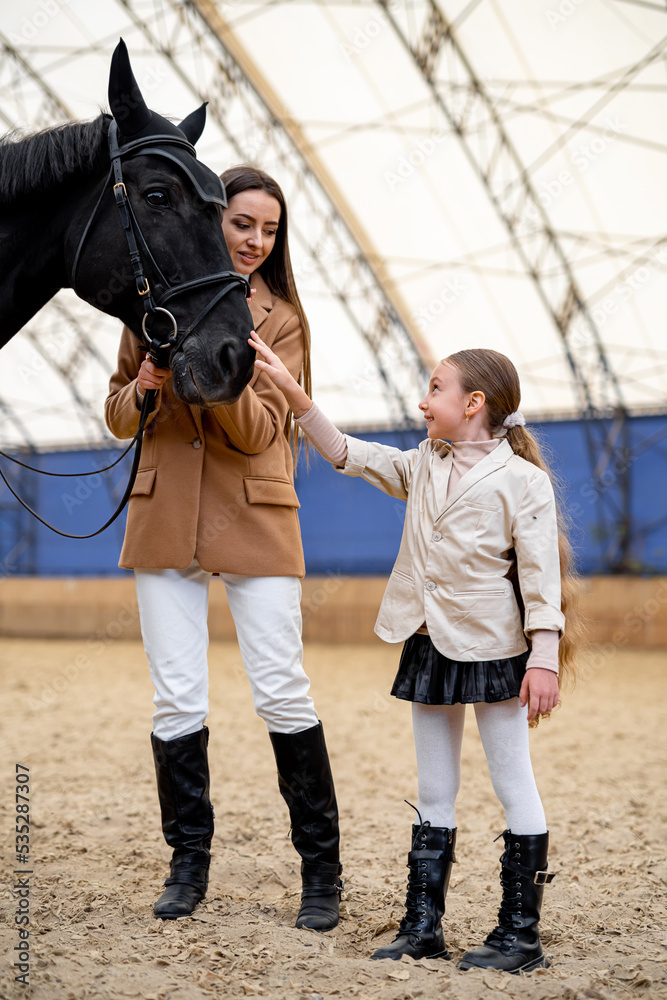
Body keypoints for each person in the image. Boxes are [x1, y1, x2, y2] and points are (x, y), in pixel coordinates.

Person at [249, 333, 582, 973]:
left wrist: (543, 655)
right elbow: (345, 453)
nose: (425, 400)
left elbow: (543, 579)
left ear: (474, 402)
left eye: (436, 388)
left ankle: (521, 935)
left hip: (494, 648)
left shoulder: (523, 482)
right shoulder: (423, 461)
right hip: (427, 640)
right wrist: (291, 394)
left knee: (515, 784)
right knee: (434, 787)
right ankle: (423, 925)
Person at [104, 165, 343, 930]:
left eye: (269, 231)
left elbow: (262, 430)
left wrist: (226, 366)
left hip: (254, 514)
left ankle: (321, 873)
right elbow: (115, 415)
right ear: (214, 218)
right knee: (176, 695)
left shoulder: (282, 319)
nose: (255, 241)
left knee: (281, 689)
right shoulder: (146, 301)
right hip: (165, 514)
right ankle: (187, 866)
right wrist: (145, 386)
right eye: (243, 224)